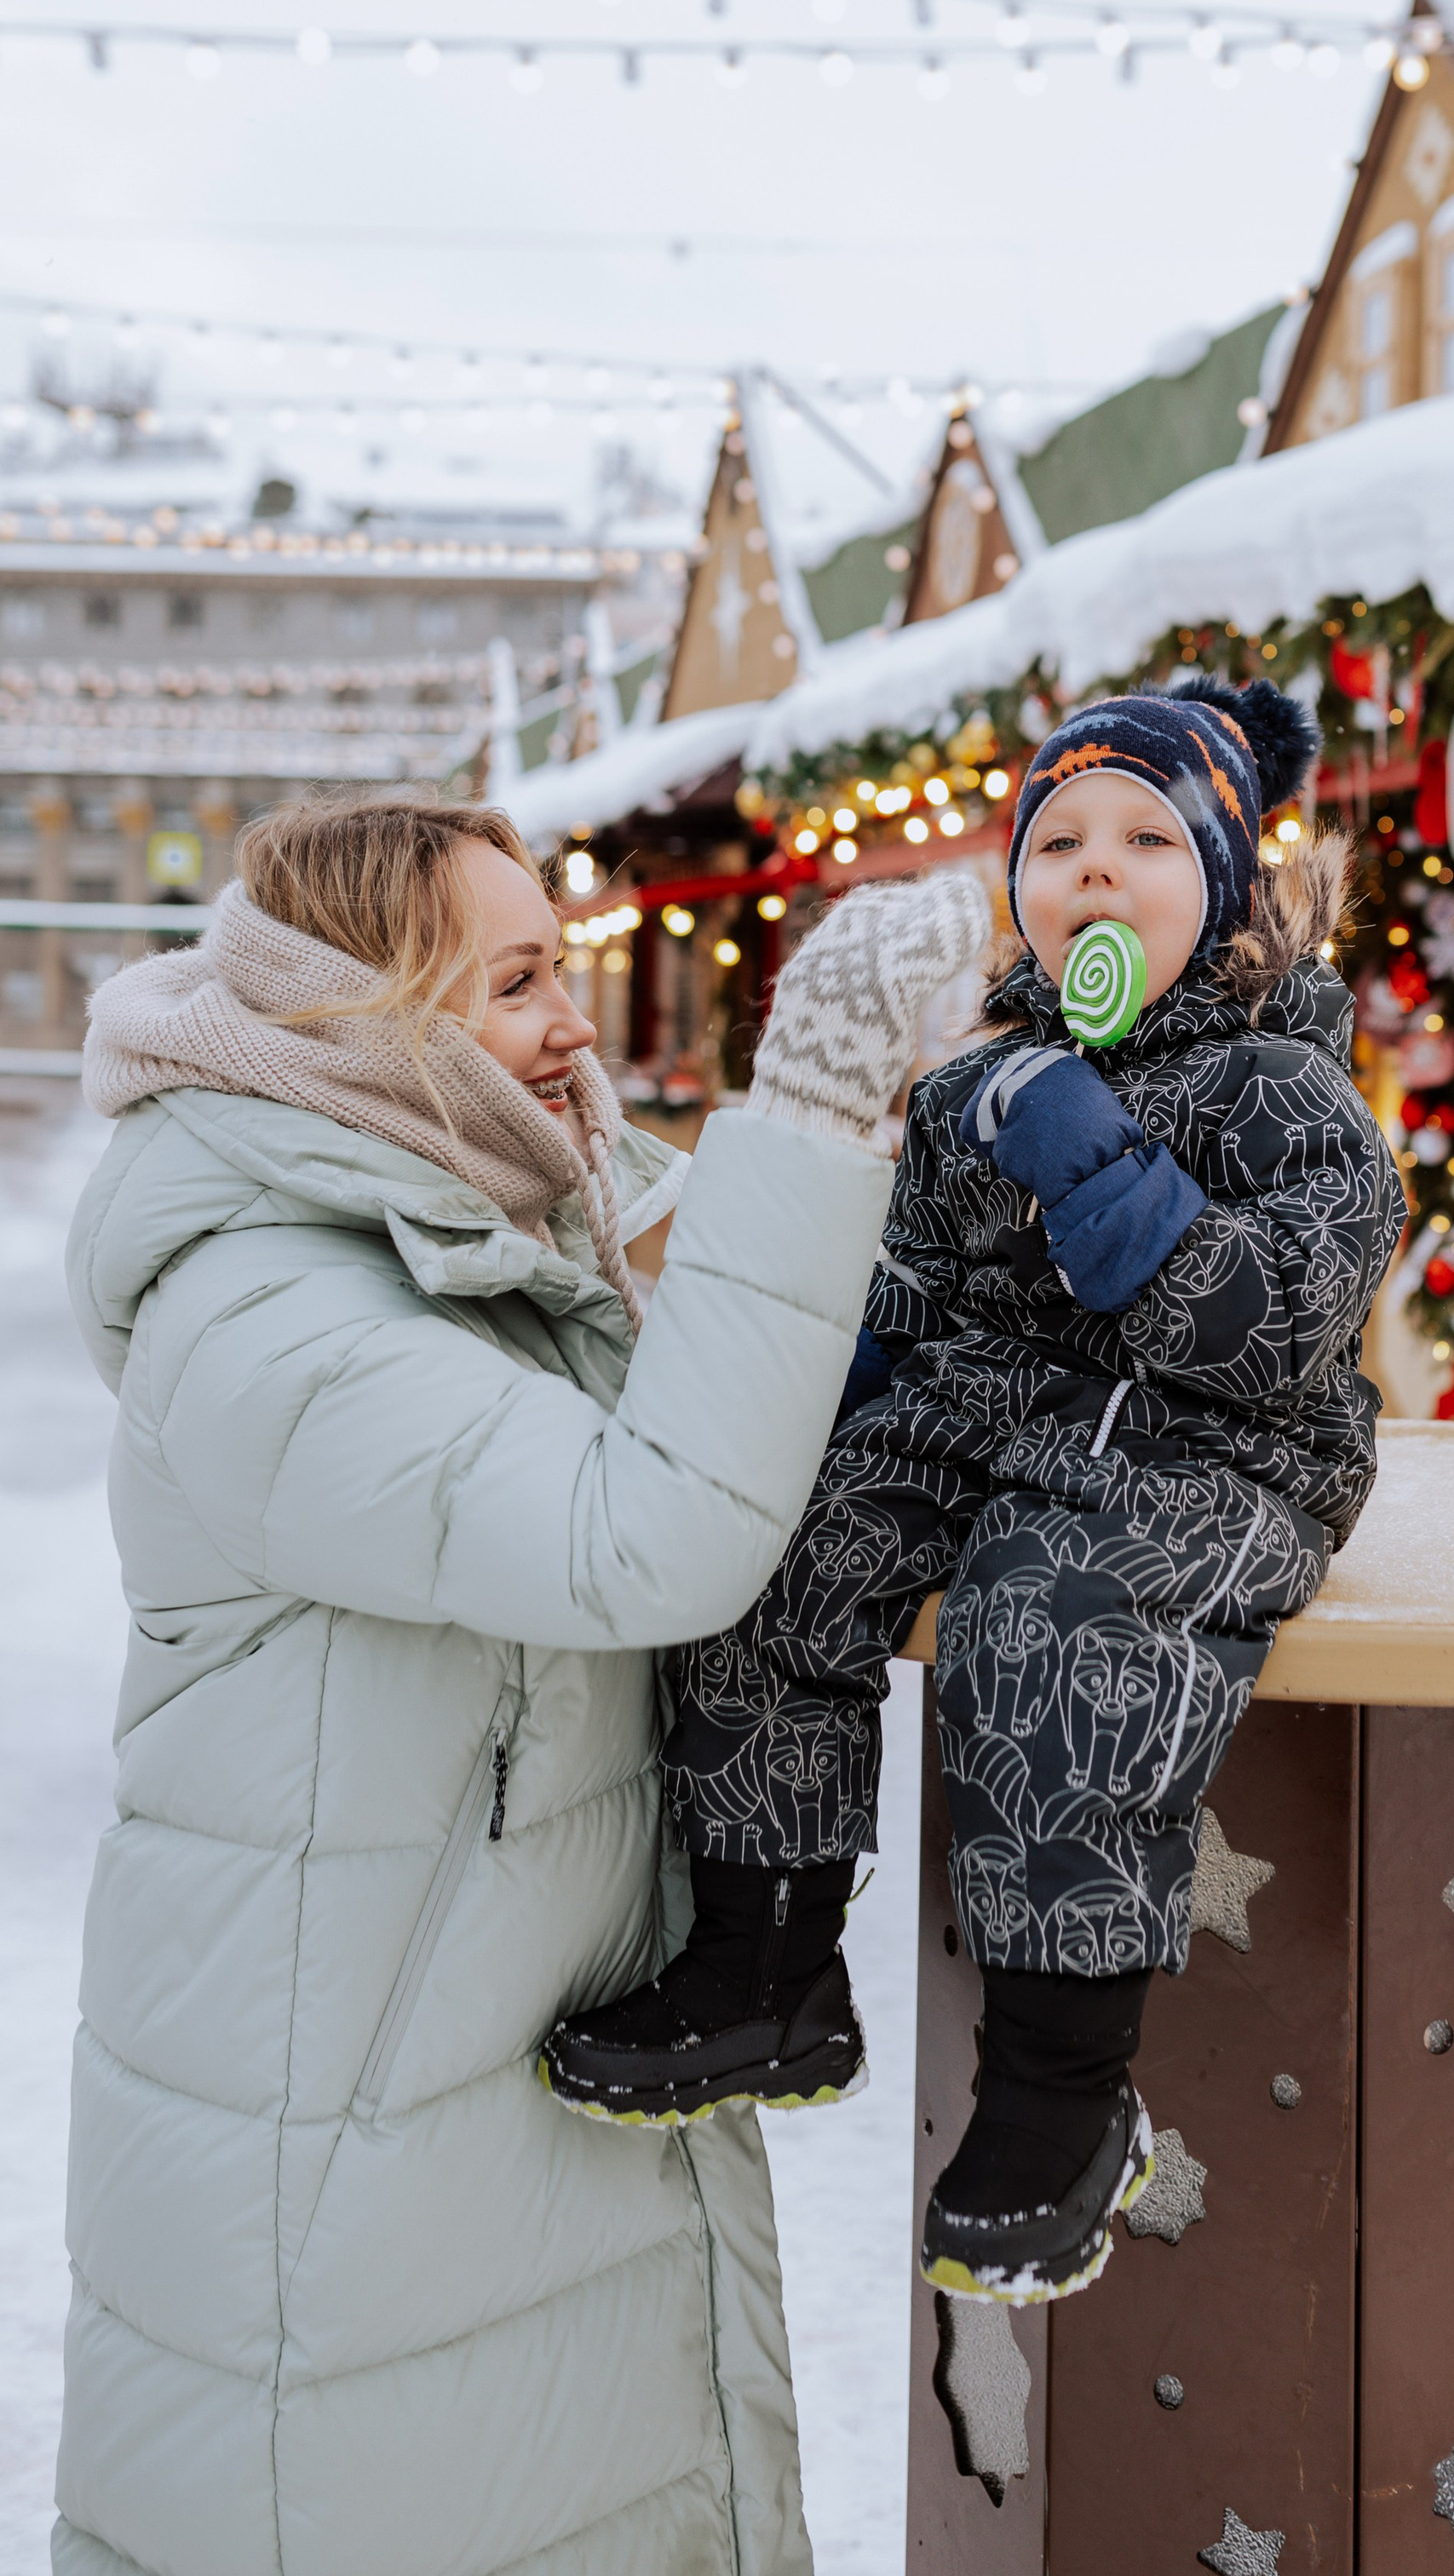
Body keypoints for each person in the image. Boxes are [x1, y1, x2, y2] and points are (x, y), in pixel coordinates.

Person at [55, 786, 989, 2576]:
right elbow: (641, 1538)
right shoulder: (269, 1317)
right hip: (344, 2188)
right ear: (359, 1023)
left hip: (475, 2127)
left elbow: (769, 1339)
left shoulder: (502, 1223)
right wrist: (804, 1091)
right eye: (519, 983)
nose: (574, 1024)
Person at [545, 680, 1407, 2306]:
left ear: (1228, 895)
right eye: (1060, 840)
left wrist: (1091, 1152)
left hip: (1213, 1443)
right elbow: (913, 1298)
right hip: (996, 1417)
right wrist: (802, 1396)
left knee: (1046, 1614)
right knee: (788, 1549)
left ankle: (1061, 2096)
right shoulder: (972, 1091)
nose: (1097, 870)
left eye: (1151, 839)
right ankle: (766, 1957)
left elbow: (1269, 1330)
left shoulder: (1287, 1099)